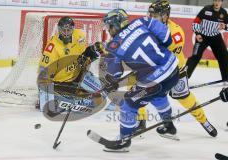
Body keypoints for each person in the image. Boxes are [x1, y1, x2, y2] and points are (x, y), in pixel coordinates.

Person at [102, 8, 179, 152]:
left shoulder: (113, 45)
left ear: (116, 24)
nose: (108, 30)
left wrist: (109, 84)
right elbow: (167, 38)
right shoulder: (142, 21)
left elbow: (114, 74)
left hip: (154, 80)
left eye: (109, 26)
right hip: (173, 68)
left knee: (128, 104)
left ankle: (123, 141)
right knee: (158, 95)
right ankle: (169, 126)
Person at [142, 0, 217, 137]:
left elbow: (162, 56)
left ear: (165, 16)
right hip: (157, 70)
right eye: (150, 14)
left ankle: (203, 120)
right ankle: (140, 122)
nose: (151, 18)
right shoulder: (147, 28)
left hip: (175, 71)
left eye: (155, 15)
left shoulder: (176, 32)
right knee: (138, 92)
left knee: (185, 98)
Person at [37, 16, 102, 111]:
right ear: (59, 30)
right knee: (89, 102)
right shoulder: (52, 47)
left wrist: (92, 51)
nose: (66, 33)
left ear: (73, 29)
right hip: (60, 84)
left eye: (69, 30)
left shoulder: (80, 36)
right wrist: (44, 95)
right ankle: (69, 97)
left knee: (101, 92)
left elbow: (83, 54)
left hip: (77, 77)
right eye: (64, 30)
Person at [186, 0, 228, 81]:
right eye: (215, 0)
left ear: (221, 2)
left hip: (215, 37)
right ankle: (184, 77)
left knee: (224, 57)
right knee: (195, 56)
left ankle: (226, 78)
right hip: (202, 37)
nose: (217, 3)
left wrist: (225, 27)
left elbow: (227, 26)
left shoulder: (224, 13)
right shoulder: (206, 9)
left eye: (219, 1)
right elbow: (196, 22)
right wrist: (197, 33)